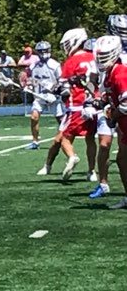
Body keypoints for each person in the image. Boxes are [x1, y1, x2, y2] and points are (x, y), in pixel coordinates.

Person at [51, 28, 97, 181]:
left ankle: (72, 156)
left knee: (64, 137)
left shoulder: (71, 62)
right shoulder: (93, 57)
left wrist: (56, 90)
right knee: (90, 139)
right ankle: (92, 171)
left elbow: (65, 89)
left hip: (77, 105)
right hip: (94, 105)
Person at [94, 35, 127, 209]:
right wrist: (103, 101)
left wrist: (113, 115)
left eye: (104, 55)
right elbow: (111, 96)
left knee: (123, 159)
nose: (101, 59)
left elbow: (126, 104)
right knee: (122, 160)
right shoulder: (110, 73)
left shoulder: (120, 73)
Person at [25, 41, 63, 151]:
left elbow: (61, 80)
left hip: (53, 97)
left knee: (61, 121)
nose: (43, 53)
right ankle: (35, 142)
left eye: (45, 51)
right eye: (41, 51)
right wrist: (29, 85)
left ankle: (64, 140)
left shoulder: (55, 65)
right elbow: (30, 78)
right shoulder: (34, 66)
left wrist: (54, 89)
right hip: (39, 97)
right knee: (34, 117)